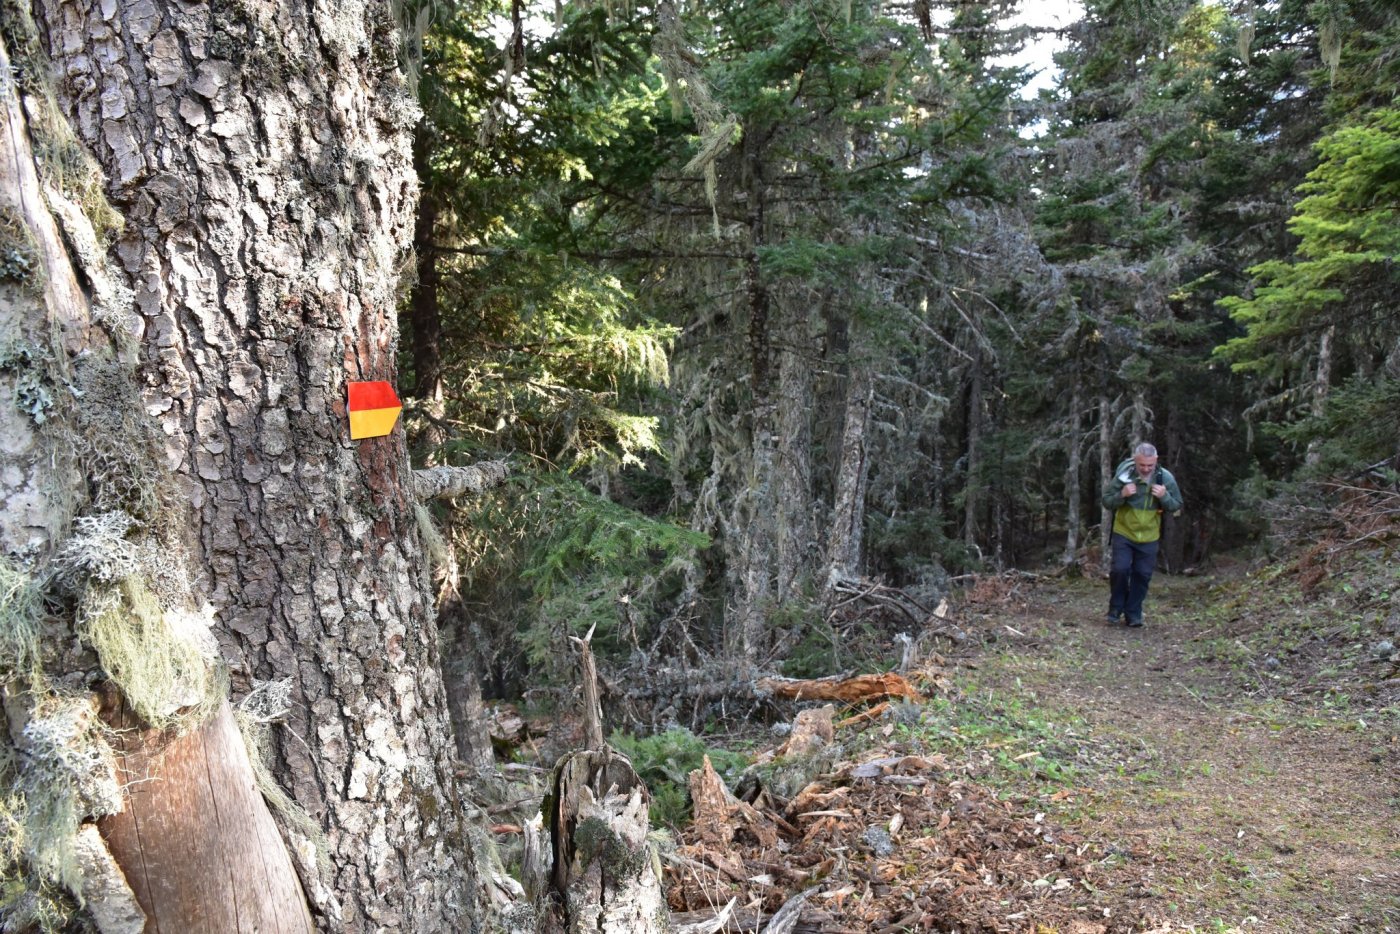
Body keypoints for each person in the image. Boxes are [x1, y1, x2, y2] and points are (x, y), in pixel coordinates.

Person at [1102, 443, 1183, 628]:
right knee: (1120, 570)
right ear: (1135, 461)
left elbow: (1176, 505)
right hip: (1124, 531)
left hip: (1149, 536)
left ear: (1155, 462)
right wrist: (1122, 494)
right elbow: (1107, 501)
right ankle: (1115, 608)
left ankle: (1133, 613)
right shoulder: (1124, 475)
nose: (1146, 469)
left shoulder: (1165, 478)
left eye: (1150, 466)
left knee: (1143, 575)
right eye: (1142, 465)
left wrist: (1164, 496)